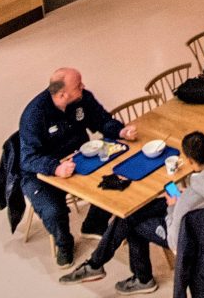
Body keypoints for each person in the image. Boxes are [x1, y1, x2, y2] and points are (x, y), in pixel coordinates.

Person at [59, 131, 204, 294]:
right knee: (134, 213)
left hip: (192, 232)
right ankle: (98, 265)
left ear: (190, 161)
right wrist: (180, 200)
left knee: (131, 222)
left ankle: (137, 276)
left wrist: (172, 207)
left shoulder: (187, 200)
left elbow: (174, 241)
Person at [16, 67, 136, 266]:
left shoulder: (83, 99)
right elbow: (28, 159)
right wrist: (55, 168)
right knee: (54, 211)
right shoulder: (34, 115)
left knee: (114, 177)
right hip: (42, 171)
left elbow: (102, 120)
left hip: (78, 158)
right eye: (78, 85)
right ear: (62, 94)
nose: (84, 87)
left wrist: (120, 131)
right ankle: (64, 243)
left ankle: (94, 223)